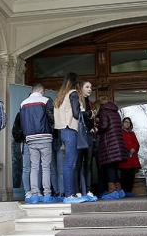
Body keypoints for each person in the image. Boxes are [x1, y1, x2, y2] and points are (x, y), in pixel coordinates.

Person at [20, 83, 55, 204]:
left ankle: (34, 194)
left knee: (34, 167)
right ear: (42, 91)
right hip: (44, 136)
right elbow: (51, 118)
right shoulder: (45, 100)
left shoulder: (23, 103)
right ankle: (47, 194)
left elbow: (22, 122)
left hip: (30, 138)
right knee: (45, 167)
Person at [54, 73, 85, 203]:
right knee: (70, 164)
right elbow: (76, 114)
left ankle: (69, 194)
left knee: (68, 163)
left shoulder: (61, 96)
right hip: (70, 129)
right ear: (76, 83)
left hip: (62, 131)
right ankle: (69, 195)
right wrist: (83, 110)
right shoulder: (73, 94)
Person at [97, 99, 126, 199]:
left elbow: (104, 126)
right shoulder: (115, 112)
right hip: (117, 143)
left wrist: (97, 126)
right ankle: (119, 190)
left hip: (109, 144)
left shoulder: (104, 111)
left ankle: (112, 191)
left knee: (109, 167)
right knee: (114, 167)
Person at [75, 80, 98, 201]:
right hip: (79, 135)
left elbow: (88, 120)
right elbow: (77, 115)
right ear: (81, 88)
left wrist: (93, 127)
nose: (90, 89)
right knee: (78, 164)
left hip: (88, 136)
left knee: (88, 165)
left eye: (91, 87)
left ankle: (89, 191)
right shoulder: (77, 100)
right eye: (87, 87)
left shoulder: (89, 102)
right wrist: (89, 113)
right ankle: (77, 191)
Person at [119, 117, 142, 195]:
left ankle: (129, 191)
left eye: (129, 122)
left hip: (133, 158)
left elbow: (137, 143)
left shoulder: (132, 133)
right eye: (126, 122)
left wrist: (133, 149)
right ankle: (124, 192)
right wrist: (129, 149)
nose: (127, 123)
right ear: (122, 123)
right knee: (124, 175)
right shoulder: (120, 133)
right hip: (125, 157)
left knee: (131, 176)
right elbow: (120, 143)